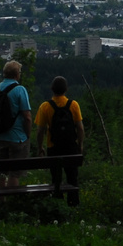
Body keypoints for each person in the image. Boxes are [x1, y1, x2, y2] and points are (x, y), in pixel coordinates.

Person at [33, 75, 85, 206]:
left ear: (52, 89)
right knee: (72, 178)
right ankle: (73, 205)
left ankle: (57, 206)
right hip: (71, 147)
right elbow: (80, 128)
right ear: (66, 89)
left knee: (56, 179)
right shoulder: (73, 105)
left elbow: (40, 131)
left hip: (53, 147)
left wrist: (40, 148)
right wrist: (80, 144)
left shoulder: (45, 106)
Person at [0, 60, 33, 190]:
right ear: (16, 74)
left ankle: (0, 202)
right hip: (17, 137)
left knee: (1, 173)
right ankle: (11, 202)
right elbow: (27, 116)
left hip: (0, 136)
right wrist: (28, 135)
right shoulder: (19, 89)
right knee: (15, 173)